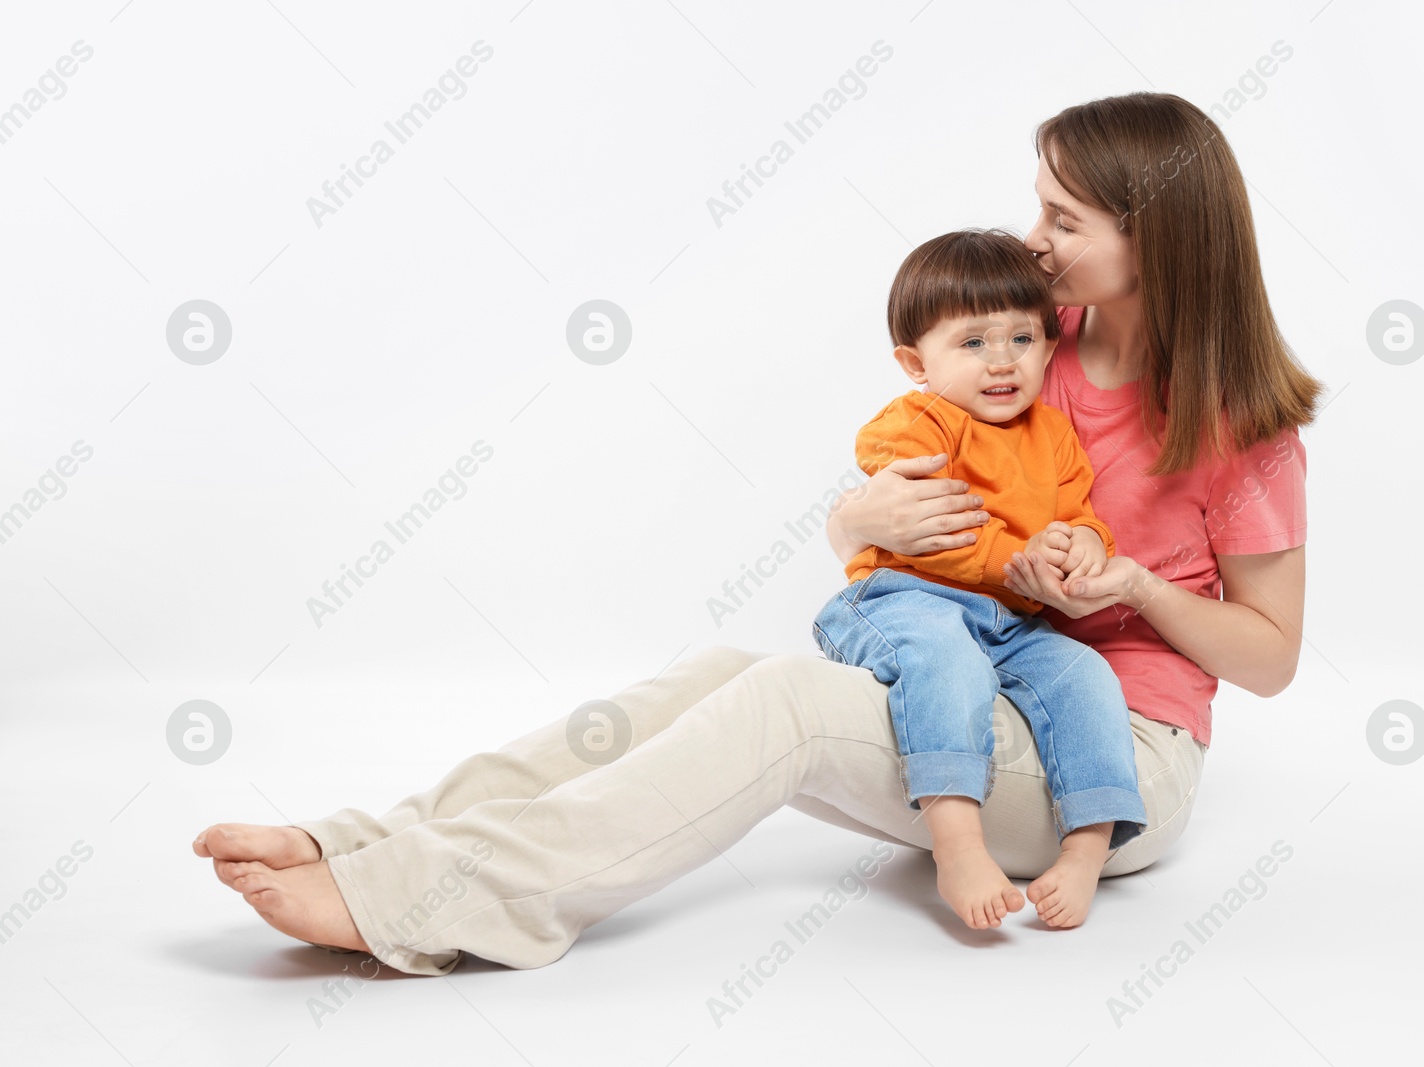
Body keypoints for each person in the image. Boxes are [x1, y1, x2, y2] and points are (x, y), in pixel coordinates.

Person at [193, 91, 1319, 976]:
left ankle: (445, 903)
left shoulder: (1242, 427)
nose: (1033, 239)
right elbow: (927, 488)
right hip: (978, 675)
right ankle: (374, 843)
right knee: (716, 672)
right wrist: (856, 519)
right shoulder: (1028, 340)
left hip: (1111, 758)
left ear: (1155, 238)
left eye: (1063, 220)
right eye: (1037, 206)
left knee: (785, 706)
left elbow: (1270, 658)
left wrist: (1133, 583)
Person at [810, 227, 1146, 932]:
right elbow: (942, 532)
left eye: (1022, 339)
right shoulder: (919, 423)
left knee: (1086, 674)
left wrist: (1080, 545)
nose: (1002, 362)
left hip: (1012, 620)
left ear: (1049, 348)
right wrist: (1019, 560)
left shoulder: (1052, 434)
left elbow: (1079, 512)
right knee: (947, 662)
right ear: (916, 362)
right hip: (908, 598)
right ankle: (957, 844)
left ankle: (1086, 850)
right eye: (972, 344)